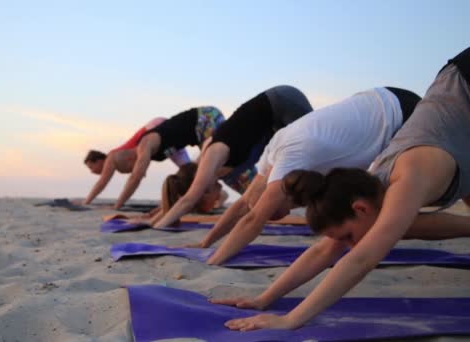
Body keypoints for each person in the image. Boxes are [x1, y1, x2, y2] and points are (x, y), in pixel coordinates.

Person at [211, 47, 470, 331]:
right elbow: (323, 252)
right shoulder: (372, 191)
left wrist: (290, 320)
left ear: (359, 207)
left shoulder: (407, 179)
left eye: (347, 235)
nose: (347, 246)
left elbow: (362, 259)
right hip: (453, 112)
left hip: (464, 81)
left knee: (390, 227)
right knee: (395, 224)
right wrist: (264, 299)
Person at [201, 86, 421, 262]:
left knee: (394, 212)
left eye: (272, 210)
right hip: (381, 101)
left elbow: (252, 219)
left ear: (281, 194)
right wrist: (207, 243)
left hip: (402, 114)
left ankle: (457, 227)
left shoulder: (291, 156)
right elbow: (244, 206)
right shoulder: (274, 154)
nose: (268, 213)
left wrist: (214, 260)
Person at [153, 85, 313, 228]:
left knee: (314, 159)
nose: (217, 202)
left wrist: (158, 227)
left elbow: (188, 199)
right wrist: (152, 218)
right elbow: (183, 199)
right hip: (277, 123)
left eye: (212, 202)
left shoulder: (211, 156)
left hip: (282, 101)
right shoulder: (224, 174)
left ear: (203, 193)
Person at [83, 108, 222, 206]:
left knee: (210, 166)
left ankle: (213, 195)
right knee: (193, 171)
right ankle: (216, 195)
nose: (136, 170)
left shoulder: (114, 156)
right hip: (192, 130)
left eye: (91, 167)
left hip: (203, 119)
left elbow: (132, 178)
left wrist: (116, 205)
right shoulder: (151, 153)